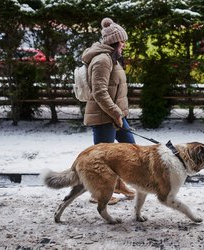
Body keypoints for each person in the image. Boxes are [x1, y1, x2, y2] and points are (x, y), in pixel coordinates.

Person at [81, 17, 135, 205]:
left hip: (115, 115)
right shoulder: (102, 60)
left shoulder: (112, 58)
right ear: (114, 42)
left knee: (130, 150)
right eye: (122, 41)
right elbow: (99, 92)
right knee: (102, 160)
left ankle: (118, 185)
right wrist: (116, 113)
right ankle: (98, 193)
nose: (125, 45)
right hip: (104, 116)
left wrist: (119, 113)